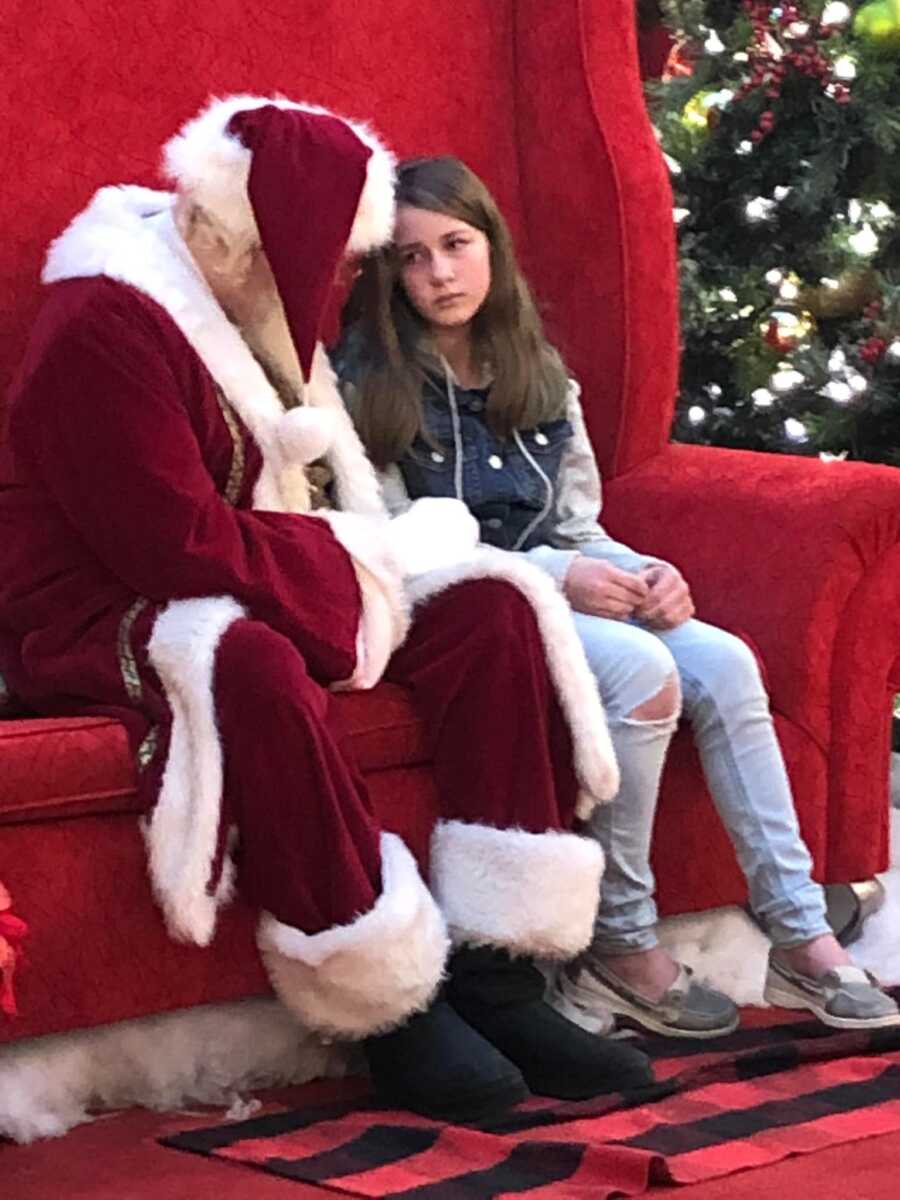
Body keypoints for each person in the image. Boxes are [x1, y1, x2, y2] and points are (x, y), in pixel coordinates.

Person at [0, 100, 654, 1120]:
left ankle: (495, 973)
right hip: (100, 607)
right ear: (260, 241)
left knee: (494, 607)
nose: (349, 284)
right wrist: (349, 579)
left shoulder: (244, 298)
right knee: (252, 662)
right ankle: (383, 1003)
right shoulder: (104, 323)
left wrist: (371, 568)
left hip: (261, 562)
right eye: (342, 261)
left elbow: (309, 501)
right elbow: (166, 546)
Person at [335, 154, 900, 1037]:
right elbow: (393, 546)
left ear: (492, 248)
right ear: (386, 272)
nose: (439, 274)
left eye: (456, 244)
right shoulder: (363, 385)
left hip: (562, 588)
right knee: (640, 670)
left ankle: (798, 935)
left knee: (725, 658)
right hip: (464, 610)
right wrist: (566, 579)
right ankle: (618, 944)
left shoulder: (540, 373)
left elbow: (578, 523)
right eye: (411, 257)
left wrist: (646, 571)